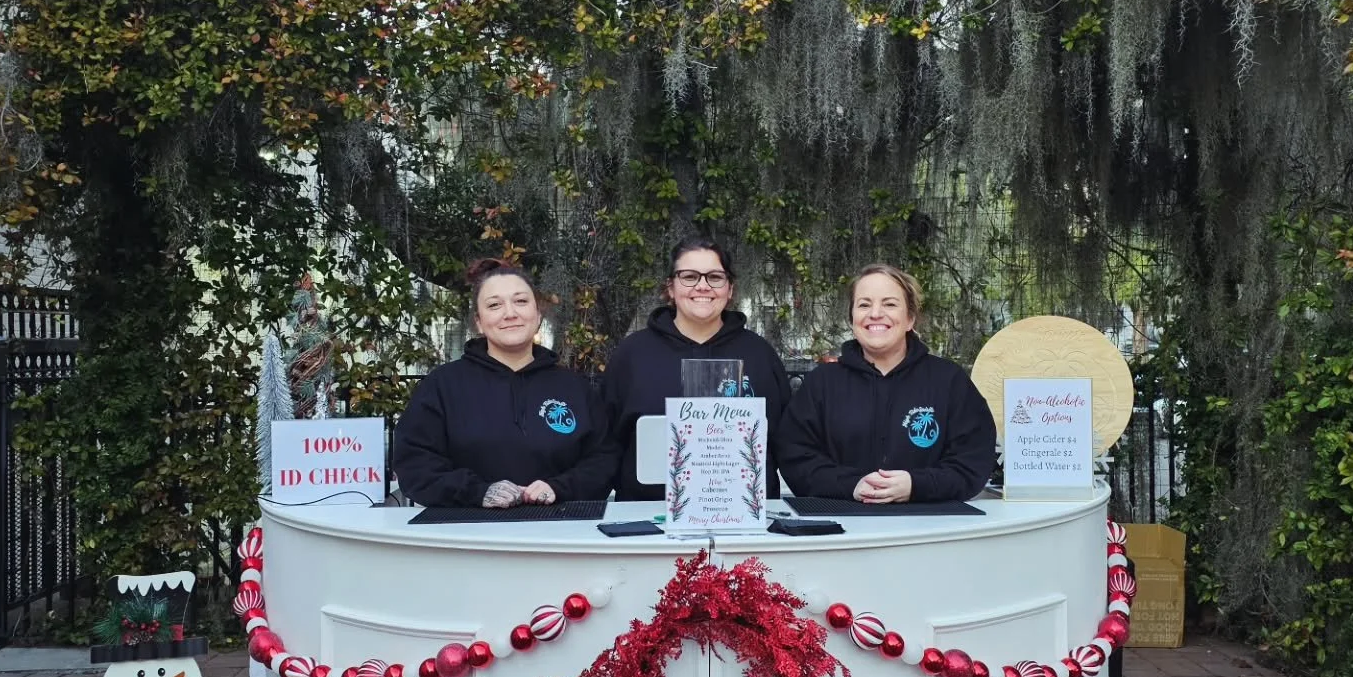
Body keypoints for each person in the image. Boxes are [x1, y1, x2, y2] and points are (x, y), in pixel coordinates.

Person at [394, 259, 617, 507]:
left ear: (538, 313)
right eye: (494, 305)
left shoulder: (574, 387)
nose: (510, 313)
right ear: (478, 321)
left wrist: (559, 488)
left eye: (521, 301)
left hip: (561, 533)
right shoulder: (442, 386)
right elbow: (415, 465)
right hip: (466, 535)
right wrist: (478, 492)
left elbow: (603, 459)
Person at [776, 264, 996, 503]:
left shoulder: (949, 381)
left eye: (890, 304)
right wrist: (851, 485)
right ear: (852, 319)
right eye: (864, 304)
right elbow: (796, 456)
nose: (875, 313)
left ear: (910, 318)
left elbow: (972, 462)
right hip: (841, 528)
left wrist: (916, 485)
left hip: (930, 530)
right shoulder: (822, 384)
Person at [600, 237, 793, 501]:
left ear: (730, 288)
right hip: (650, 517)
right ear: (670, 287)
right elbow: (605, 442)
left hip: (742, 517)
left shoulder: (759, 354)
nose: (702, 286)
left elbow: (786, 441)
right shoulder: (632, 354)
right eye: (689, 276)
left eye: (715, 277)